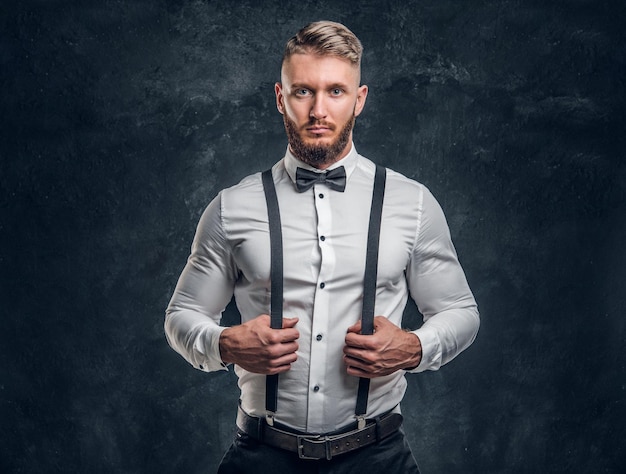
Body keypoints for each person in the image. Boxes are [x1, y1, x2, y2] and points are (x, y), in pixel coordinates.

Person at [165, 20, 479, 473]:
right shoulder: (232, 207)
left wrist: (414, 347)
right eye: (303, 91)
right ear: (280, 98)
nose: (318, 110)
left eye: (335, 91)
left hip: (378, 456)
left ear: (360, 99)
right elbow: (181, 316)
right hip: (262, 456)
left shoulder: (411, 203)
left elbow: (461, 312)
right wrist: (224, 343)